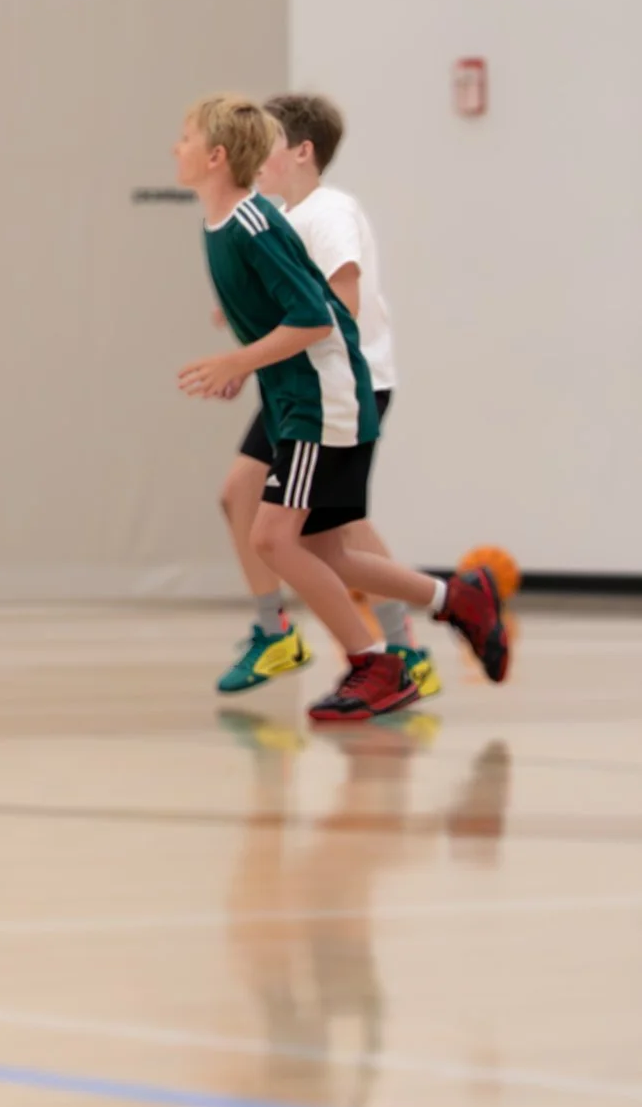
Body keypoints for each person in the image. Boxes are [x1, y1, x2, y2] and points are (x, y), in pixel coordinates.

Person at [171, 94, 508, 721]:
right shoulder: (234, 222)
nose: (174, 148)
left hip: (325, 393)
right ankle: (452, 600)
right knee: (321, 545)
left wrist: (240, 361)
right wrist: (245, 354)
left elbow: (323, 315)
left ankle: (376, 658)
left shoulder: (303, 217)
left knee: (277, 537)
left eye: (184, 138)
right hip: (299, 389)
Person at [216, 96, 433, 695]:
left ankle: (404, 647)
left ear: (302, 151)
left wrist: (254, 350)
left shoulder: (330, 213)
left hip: (345, 383)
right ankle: (276, 631)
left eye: (266, 143)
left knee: (336, 530)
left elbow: (342, 308)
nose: (254, 156)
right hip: (301, 381)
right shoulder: (286, 217)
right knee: (242, 493)